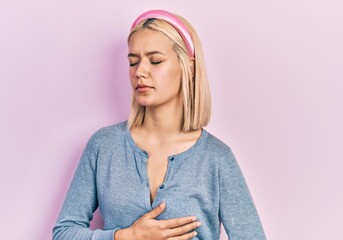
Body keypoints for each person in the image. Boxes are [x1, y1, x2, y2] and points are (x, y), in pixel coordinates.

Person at [52, 9, 266, 240]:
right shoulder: (104, 146)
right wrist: (125, 237)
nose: (140, 72)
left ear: (189, 67)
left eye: (155, 61)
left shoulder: (216, 158)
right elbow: (64, 233)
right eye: (133, 62)